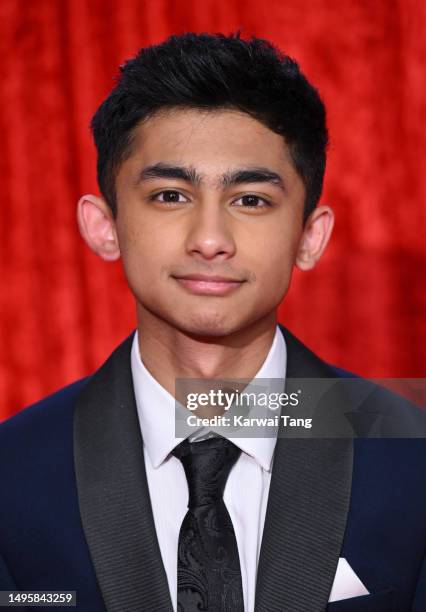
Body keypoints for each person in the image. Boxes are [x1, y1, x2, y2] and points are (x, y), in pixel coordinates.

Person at [0, 32, 425, 612]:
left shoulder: (408, 452)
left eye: (250, 200)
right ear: (105, 226)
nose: (209, 240)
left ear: (309, 235)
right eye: (171, 195)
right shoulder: (13, 473)